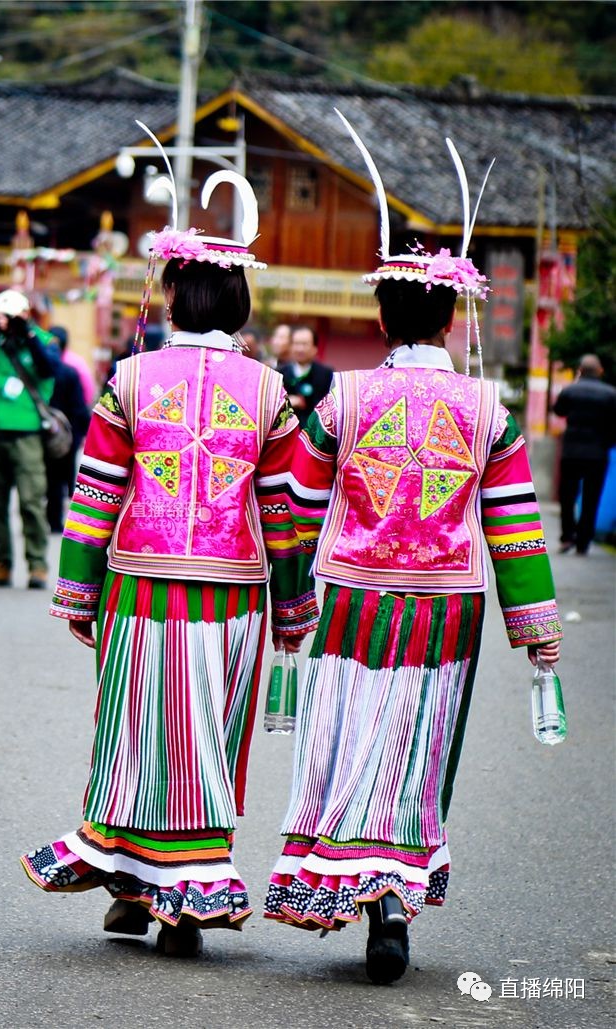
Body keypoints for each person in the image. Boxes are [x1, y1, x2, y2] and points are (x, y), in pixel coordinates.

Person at [265, 115, 563, 985]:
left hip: (352, 599)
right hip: (447, 607)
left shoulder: (341, 400)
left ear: (384, 311)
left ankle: (364, 887)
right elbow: (513, 528)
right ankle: (395, 888)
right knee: (417, 746)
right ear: (448, 314)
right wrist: (537, 630)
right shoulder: (489, 411)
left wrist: (287, 601)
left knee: (349, 735)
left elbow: (291, 504)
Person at [20, 168, 319, 958]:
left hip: (138, 588)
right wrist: (294, 610)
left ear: (177, 295)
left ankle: (129, 888)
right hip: (232, 600)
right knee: (208, 745)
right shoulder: (270, 393)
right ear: (241, 303)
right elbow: (285, 517)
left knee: (135, 735)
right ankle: (183, 897)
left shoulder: (128, 380)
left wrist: (79, 593)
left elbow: (93, 497)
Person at [0, 290, 56, 589]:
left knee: (31, 501)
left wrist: (27, 335)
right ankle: (0, 563)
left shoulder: (42, 341)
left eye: (10, 317)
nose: (5, 323)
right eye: (0, 317)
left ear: (25, 316)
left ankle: (37, 565)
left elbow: (48, 369)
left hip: (26, 433)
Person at [553, 353, 616, 555]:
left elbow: (558, 411)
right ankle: (583, 541)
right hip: (597, 453)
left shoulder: (570, 391)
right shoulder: (610, 394)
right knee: (591, 498)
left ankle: (567, 536)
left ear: (580, 370)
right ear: (600, 371)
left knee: (567, 496)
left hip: (571, 452)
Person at [46, 326, 91, 533]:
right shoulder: (72, 372)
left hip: (40, 431)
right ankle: (56, 520)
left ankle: (40, 517)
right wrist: (80, 435)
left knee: (44, 476)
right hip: (66, 434)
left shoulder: (39, 372)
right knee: (61, 477)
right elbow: (80, 407)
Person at [279, 325, 333, 424]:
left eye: (304, 344)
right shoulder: (279, 373)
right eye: (297, 344)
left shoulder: (326, 374)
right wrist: (288, 402)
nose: (300, 349)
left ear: (315, 348)